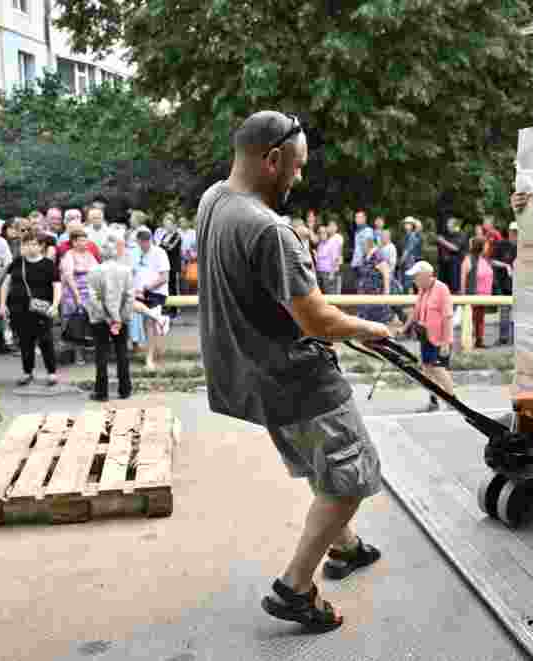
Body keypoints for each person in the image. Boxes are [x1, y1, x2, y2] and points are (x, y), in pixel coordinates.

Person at [196, 110, 389, 633]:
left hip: (252, 374)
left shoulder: (213, 200)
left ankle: (345, 547)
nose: (299, 179)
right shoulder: (269, 231)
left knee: (323, 463)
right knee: (352, 477)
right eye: (297, 168)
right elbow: (317, 318)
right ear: (272, 159)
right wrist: (372, 330)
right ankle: (295, 589)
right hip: (299, 380)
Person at [0, 231, 61, 386]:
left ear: (41, 246)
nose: (29, 247)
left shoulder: (48, 264)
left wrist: (55, 304)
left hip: (42, 308)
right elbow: (6, 283)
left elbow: (57, 286)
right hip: (19, 308)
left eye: (34, 244)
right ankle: (27, 372)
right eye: (26, 244)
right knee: (25, 341)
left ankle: (51, 372)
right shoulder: (17, 262)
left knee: (45, 340)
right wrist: (2, 304)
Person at [86, 231, 134, 402]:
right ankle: (125, 389)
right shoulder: (126, 271)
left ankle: (101, 392)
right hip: (121, 317)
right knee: (122, 353)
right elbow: (129, 297)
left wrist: (106, 317)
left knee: (101, 354)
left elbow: (94, 298)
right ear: (115, 253)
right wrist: (120, 318)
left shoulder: (93, 271)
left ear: (101, 254)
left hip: (100, 319)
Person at [401, 260, 455, 412]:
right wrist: (404, 328)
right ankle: (433, 401)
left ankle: (453, 400)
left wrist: (446, 342)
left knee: (439, 369)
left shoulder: (441, 289)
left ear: (426, 275)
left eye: (416, 276)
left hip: (439, 338)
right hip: (425, 337)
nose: (414, 280)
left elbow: (448, 317)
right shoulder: (422, 290)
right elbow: (416, 311)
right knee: (426, 370)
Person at [59, 228, 99, 363]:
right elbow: (68, 276)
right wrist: (77, 295)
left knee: (91, 322)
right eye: (82, 240)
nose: (85, 242)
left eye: (85, 239)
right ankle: (78, 355)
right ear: (74, 242)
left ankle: (90, 352)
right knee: (77, 323)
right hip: (73, 292)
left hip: (90, 292)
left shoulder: (89, 254)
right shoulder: (68, 255)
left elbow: (97, 271)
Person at [134, 227, 171, 370]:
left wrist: (146, 287)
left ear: (150, 241)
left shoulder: (159, 253)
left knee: (149, 324)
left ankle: (149, 360)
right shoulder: (137, 253)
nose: (143, 246)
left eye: (145, 243)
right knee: (145, 322)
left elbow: (164, 278)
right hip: (139, 292)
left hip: (156, 292)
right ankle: (160, 319)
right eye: (140, 243)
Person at [460, 236, 494, 349]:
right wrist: (463, 296)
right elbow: (463, 278)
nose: (487, 247)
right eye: (486, 245)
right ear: (480, 246)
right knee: (471, 319)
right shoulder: (468, 259)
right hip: (472, 295)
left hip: (483, 295)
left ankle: (479, 340)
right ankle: (468, 342)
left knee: (480, 319)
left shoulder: (484, 259)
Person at [356, 236, 393, 323]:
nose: (361, 247)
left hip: (376, 293)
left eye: (362, 244)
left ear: (368, 245)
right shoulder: (365, 256)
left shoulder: (377, 255)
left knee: (376, 319)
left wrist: (386, 292)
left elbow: (386, 274)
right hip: (365, 293)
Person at [492, 222, 518, 346]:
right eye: (513, 231)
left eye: (517, 232)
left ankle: (516, 338)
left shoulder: (523, 247)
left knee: (518, 314)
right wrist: (506, 265)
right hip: (504, 285)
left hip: (519, 286)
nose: (515, 234)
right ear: (508, 232)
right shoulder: (501, 245)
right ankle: (503, 338)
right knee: (504, 312)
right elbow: (492, 261)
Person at [349, 210, 373, 287]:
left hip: (363, 264)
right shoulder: (357, 231)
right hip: (356, 263)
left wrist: (365, 261)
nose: (357, 219)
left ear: (364, 219)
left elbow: (369, 247)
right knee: (357, 288)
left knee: (362, 288)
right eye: (356, 217)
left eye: (359, 217)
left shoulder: (368, 230)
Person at [398, 217, 422, 293]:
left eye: (408, 223)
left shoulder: (411, 236)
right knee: (406, 283)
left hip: (409, 262)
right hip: (407, 262)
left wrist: (400, 262)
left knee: (409, 284)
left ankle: (409, 303)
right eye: (405, 223)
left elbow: (407, 251)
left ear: (412, 225)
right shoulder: (406, 235)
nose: (406, 225)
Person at [314, 225, 340, 295]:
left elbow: (336, 259)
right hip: (319, 273)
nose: (321, 234)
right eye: (319, 233)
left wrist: (332, 274)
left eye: (323, 232)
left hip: (328, 273)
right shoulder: (320, 244)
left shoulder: (333, 242)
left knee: (330, 296)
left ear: (327, 233)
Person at [324, 221, 344, 295]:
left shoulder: (338, 237)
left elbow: (338, 254)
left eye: (333, 226)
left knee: (336, 293)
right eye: (330, 226)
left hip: (335, 269)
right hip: (327, 269)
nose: (331, 228)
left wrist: (333, 270)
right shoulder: (327, 238)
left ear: (336, 228)